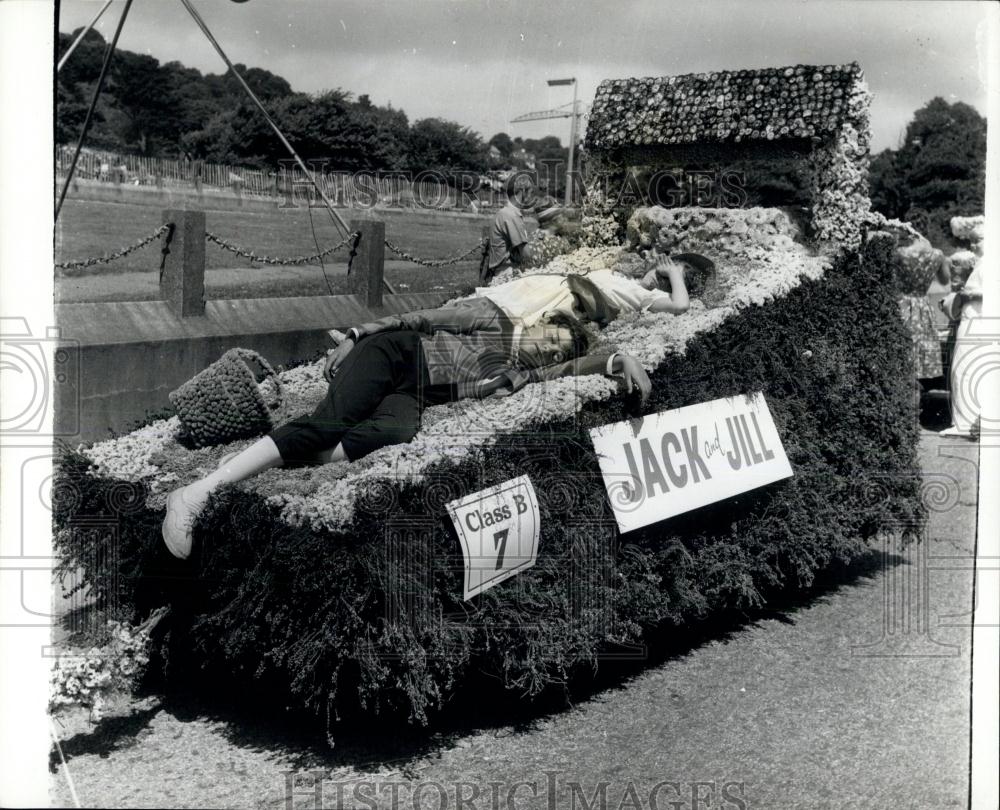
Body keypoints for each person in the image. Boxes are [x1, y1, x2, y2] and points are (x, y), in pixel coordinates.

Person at [162, 307, 651, 559]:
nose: (546, 350)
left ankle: (279, 459)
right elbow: (421, 318)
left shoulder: (519, 375)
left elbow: (574, 368)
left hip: (413, 392)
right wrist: (357, 336)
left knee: (395, 431)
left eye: (554, 351)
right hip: (396, 352)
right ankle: (198, 492)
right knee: (326, 423)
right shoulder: (495, 323)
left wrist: (616, 360)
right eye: (549, 338)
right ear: (541, 324)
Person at [482, 174, 537, 283]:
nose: (531, 197)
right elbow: (525, 254)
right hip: (506, 275)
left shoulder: (503, 212)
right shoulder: (511, 216)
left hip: (501, 272)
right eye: (530, 193)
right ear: (522, 191)